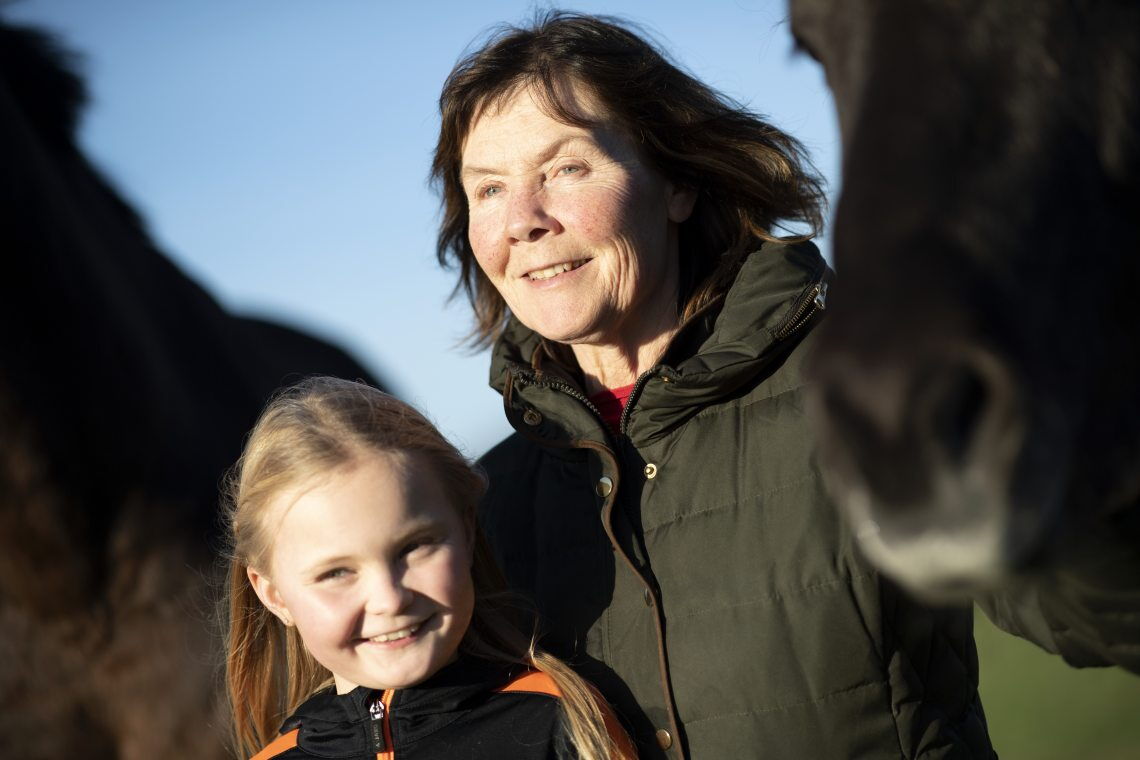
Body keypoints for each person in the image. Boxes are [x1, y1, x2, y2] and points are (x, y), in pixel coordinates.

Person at [431, 11, 996, 760]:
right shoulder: (484, 507)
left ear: (676, 185)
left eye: (566, 169)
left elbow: (1082, 597)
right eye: (489, 189)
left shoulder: (860, 387)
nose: (524, 221)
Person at [221, 376, 637, 760]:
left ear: (467, 532)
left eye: (415, 547)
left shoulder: (560, 724)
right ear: (273, 594)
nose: (389, 599)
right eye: (337, 573)